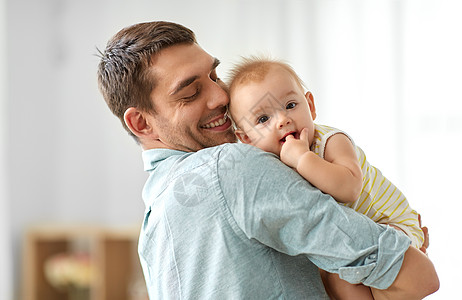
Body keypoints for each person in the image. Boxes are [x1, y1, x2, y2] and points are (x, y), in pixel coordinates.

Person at [97, 21, 439, 299]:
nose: (221, 96)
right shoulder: (232, 166)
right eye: (191, 93)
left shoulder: (153, 224)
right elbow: (419, 278)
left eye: (215, 77)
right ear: (141, 122)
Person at [227, 56, 434, 299]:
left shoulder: (331, 141)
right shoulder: (267, 166)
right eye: (263, 119)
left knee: (342, 272)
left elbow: (349, 189)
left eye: (290, 105)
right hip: (356, 238)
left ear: (311, 105)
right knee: (332, 276)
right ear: (246, 139)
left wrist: (303, 158)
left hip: (391, 226)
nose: (283, 120)